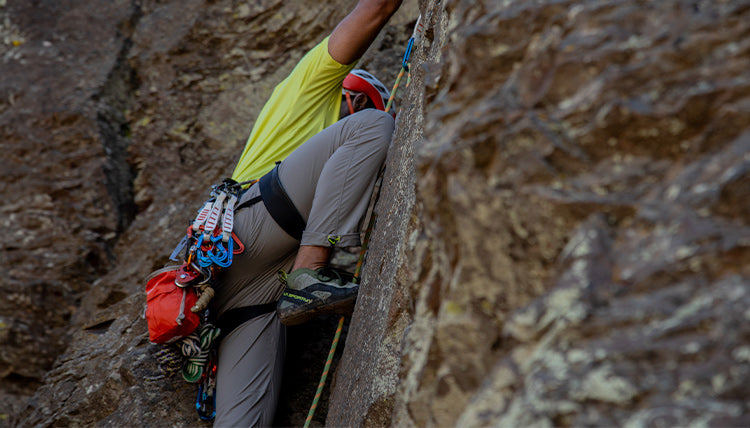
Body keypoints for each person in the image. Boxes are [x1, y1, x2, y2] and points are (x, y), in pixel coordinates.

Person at [207, 0, 403, 426]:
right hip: (252, 222)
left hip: (243, 288)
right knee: (374, 128)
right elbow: (375, 10)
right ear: (352, 94)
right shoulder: (312, 87)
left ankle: (301, 278)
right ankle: (308, 276)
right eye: (366, 102)